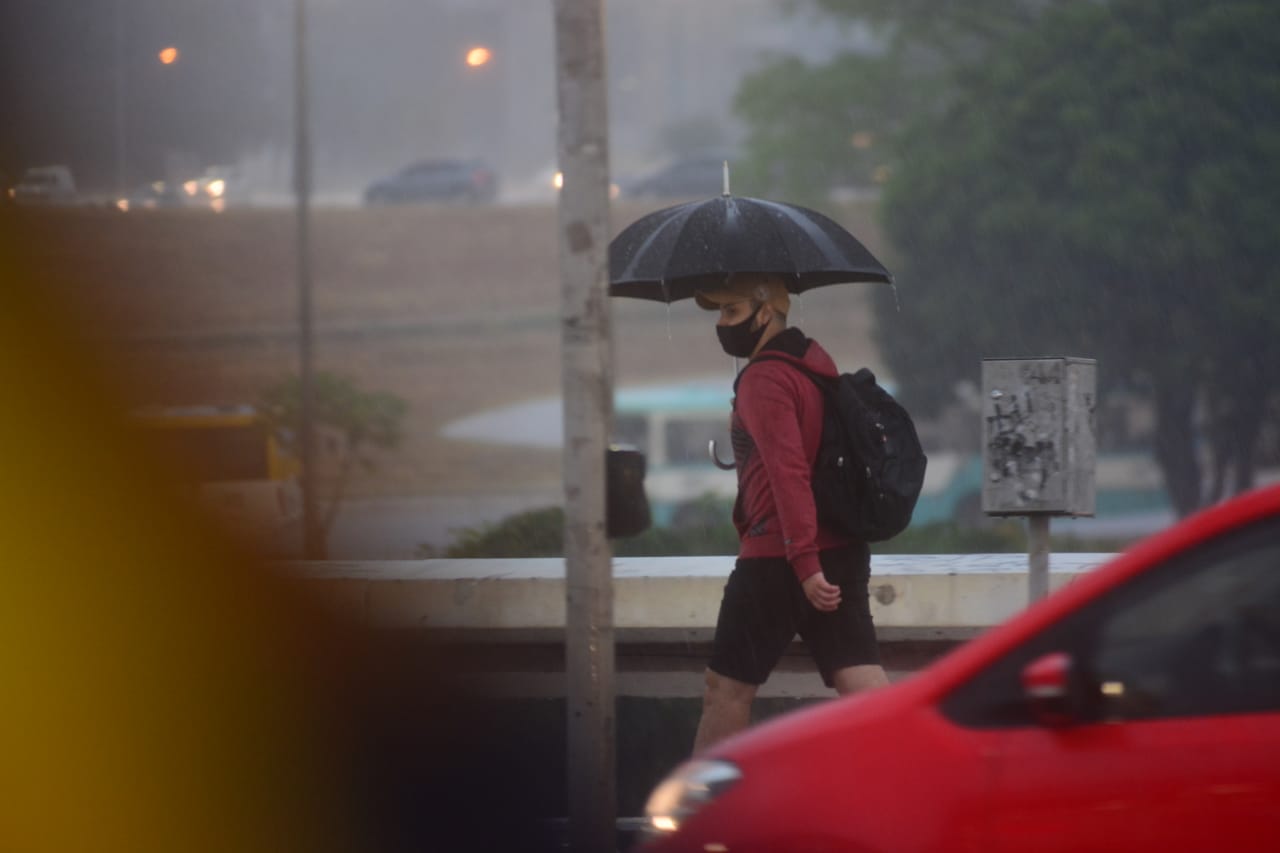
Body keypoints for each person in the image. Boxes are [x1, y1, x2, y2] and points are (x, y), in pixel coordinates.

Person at [691, 273, 889, 753]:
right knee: (865, 691)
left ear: (765, 312)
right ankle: (917, 786)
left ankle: (695, 817)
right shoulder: (815, 366)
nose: (722, 324)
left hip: (777, 555)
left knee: (727, 692)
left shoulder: (764, 378)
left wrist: (802, 562)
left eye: (731, 312)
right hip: (840, 548)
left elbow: (788, 473)